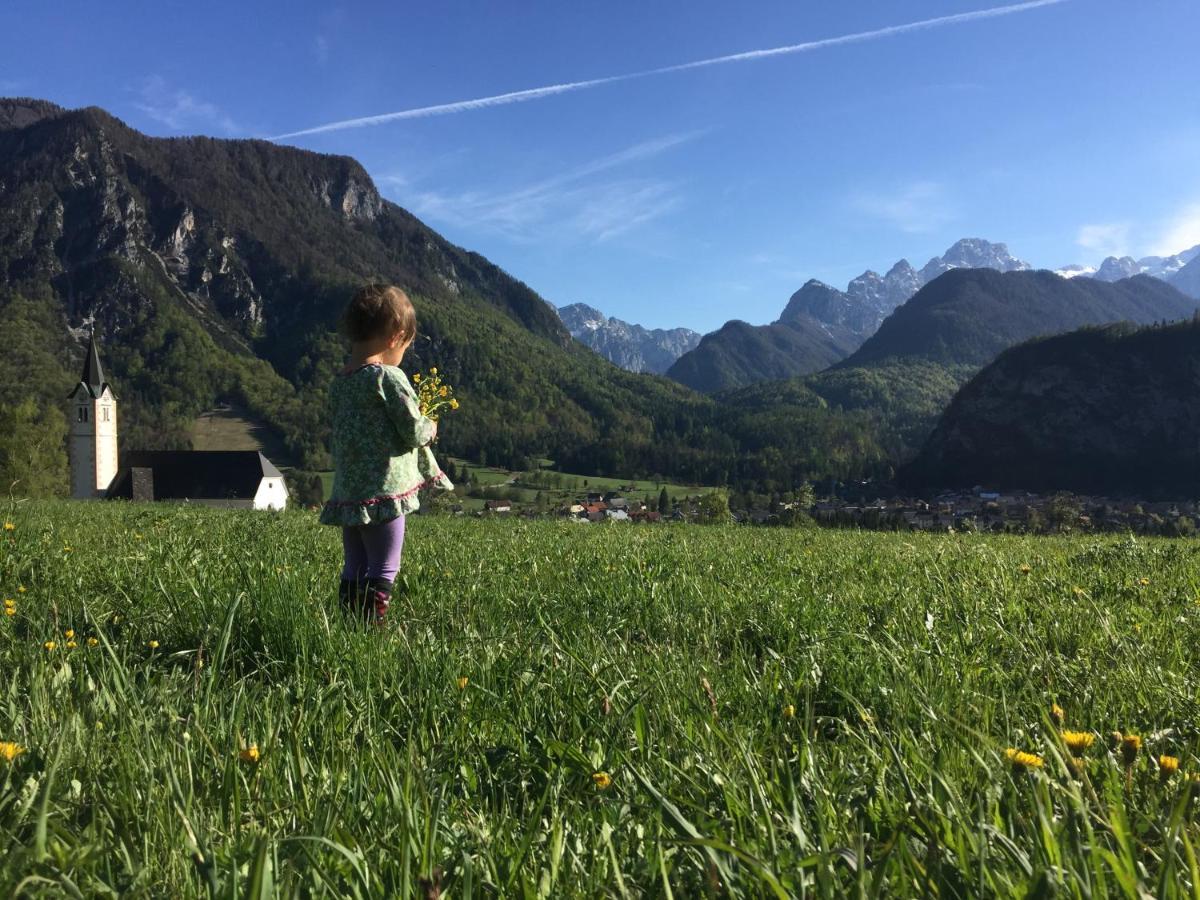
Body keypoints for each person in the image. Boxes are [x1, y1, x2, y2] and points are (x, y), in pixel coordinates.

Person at [319, 284, 452, 623]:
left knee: (355, 565)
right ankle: (373, 631)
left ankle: (350, 625)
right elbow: (411, 429)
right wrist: (430, 427)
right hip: (385, 491)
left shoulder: (341, 382)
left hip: (350, 494)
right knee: (384, 566)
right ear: (395, 336)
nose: (404, 352)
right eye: (407, 344)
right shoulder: (388, 378)